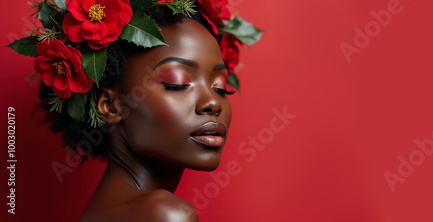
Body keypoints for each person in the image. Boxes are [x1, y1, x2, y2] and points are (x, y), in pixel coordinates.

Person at [8, 0, 261, 221]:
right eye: (178, 82)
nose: (213, 103)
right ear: (110, 105)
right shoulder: (164, 215)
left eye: (221, 88)